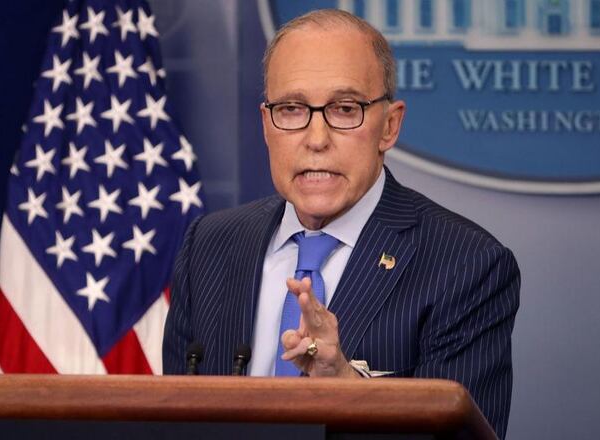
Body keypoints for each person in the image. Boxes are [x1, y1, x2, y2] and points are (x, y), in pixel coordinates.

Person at [163, 9, 520, 437]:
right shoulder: (209, 246)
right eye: (292, 109)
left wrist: (346, 387)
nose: (316, 139)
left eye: (345, 109)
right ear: (266, 124)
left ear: (389, 126)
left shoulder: (466, 265)